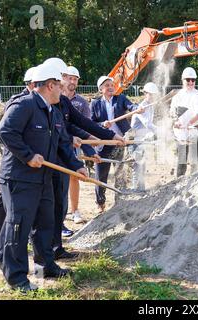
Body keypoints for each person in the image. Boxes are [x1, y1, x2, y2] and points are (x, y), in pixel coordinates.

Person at [0, 63, 87, 292]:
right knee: (19, 225)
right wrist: (27, 156)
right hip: (20, 178)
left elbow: (63, 143)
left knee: (46, 222)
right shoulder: (25, 105)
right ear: (50, 85)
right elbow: (5, 131)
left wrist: (78, 166)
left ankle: (46, 264)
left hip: (43, 178)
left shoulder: (53, 111)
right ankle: (17, 277)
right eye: (60, 86)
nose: (63, 91)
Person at [43, 58, 119, 260]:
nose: (67, 84)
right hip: (44, 162)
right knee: (45, 205)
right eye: (63, 80)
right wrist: (78, 142)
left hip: (62, 156)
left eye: (73, 79)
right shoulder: (33, 105)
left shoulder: (64, 102)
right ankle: (42, 252)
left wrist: (108, 137)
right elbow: (58, 133)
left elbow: (79, 124)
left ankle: (55, 248)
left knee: (59, 202)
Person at [0, 66, 35, 256]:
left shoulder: (40, 102)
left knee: (19, 207)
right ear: (31, 84)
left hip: (28, 163)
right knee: (4, 204)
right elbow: (7, 133)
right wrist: (27, 154)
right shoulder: (18, 102)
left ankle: (20, 239)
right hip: (14, 162)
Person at [90, 76, 142, 212]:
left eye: (112, 84)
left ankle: (120, 201)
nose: (111, 87)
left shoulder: (121, 99)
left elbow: (131, 106)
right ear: (101, 89)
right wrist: (102, 124)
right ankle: (100, 203)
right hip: (104, 143)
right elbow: (90, 123)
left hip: (120, 142)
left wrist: (138, 108)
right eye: (107, 85)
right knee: (101, 176)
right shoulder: (95, 104)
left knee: (120, 172)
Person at [64, 66, 91, 225]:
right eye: (70, 78)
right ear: (63, 78)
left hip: (74, 146)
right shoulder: (55, 97)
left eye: (75, 79)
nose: (73, 81)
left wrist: (89, 150)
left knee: (74, 176)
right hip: (59, 143)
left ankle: (75, 211)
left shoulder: (81, 102)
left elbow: (86, 128)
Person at [170, 67, 198, 177]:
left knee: (195, 161)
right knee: (181, 160)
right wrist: (175, 122)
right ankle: (179, 183)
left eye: (193, 80)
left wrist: (187, 124)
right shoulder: (177, 96)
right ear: (183, 80)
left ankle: (194, 182)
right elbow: (172, 113)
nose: (190, 82)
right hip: (181, 134)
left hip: (194, 131)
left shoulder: (197, 95)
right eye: (188, 79)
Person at [127, 82, 159, 191]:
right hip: (133, 139)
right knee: (137, 165)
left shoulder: (151, 107)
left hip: (141, 139)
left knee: (142, 164)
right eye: (151, 94)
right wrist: (161, 130)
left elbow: (149, 125)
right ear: (145, 94)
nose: (153, 97)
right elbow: (147, 124)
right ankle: (136, 189)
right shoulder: (142, 107)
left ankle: (141, 188)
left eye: (154, 95)